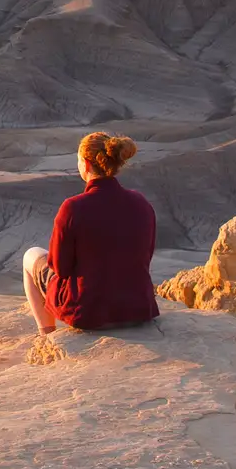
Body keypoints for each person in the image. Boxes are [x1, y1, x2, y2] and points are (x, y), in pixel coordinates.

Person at [22, 132, 159, 333]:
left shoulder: (73, 208)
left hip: (89, 314)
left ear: (86, 164)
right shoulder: (141, 202)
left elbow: (60, 268)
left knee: (31, 255)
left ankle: (47, 335)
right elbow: (146, 256)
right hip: (138, 309)